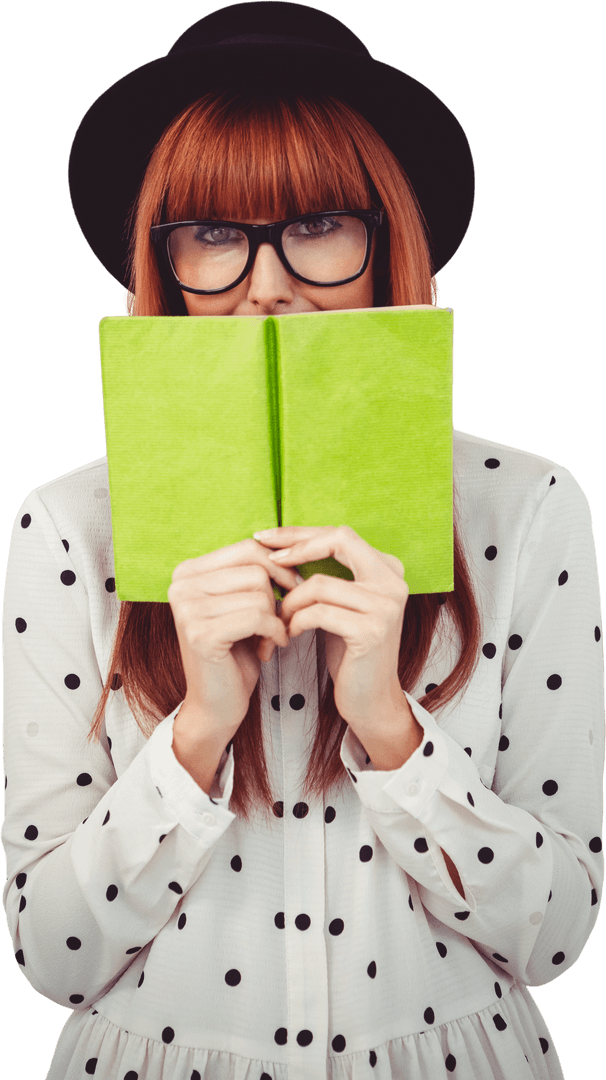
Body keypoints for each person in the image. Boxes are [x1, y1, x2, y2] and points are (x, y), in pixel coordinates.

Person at [2, 4, 603, 1079]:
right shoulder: (67, 524)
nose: (268, 284)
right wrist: (194, 732)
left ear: (388, 241)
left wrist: (390, 726)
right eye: (215, 237)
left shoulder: (529, 505)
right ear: (163, 265)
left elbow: (554, 937)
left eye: (318, 223)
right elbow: (50, 953)